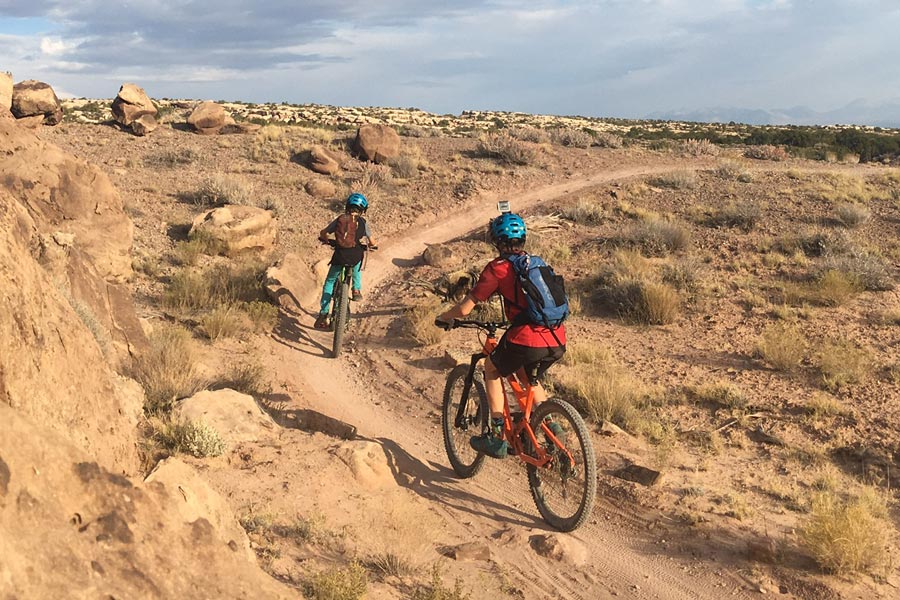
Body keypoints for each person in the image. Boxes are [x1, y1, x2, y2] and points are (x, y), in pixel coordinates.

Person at [435, 211, 566, 458]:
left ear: (497, 242)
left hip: (527, 337)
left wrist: (445, 317)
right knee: (527, 376)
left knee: (492, 368)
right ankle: (552, 424)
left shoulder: (498, 268)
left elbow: (465, 308)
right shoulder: (537, 262)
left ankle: (495, 435)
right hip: (557, 336)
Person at [314, 192, 377, 330]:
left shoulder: (340, 219)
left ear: (348, 206)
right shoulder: (363, 223)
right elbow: (372, 242)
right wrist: (372, 245)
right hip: (355, 256)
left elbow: (323, 232)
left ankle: (324, 314)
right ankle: (356, 290)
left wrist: (325, 239)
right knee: (357, 269)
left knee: (330, 282)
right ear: (362, 210)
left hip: (340, 255)